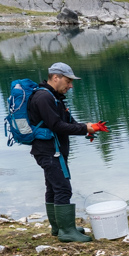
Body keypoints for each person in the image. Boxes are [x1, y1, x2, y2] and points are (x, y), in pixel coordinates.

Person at [28, 62, 102, 243]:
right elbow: (57, 126)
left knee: (53, 187)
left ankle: (58, 227)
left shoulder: (54, 97)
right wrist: (84, 128)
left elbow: (67, 121)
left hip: (53, 150)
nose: (70, 86)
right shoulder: (43, 98)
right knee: (62, 187)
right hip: (49, 151)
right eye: (68, 81)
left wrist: (88, 129)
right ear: (55, 77)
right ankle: (66, 231)